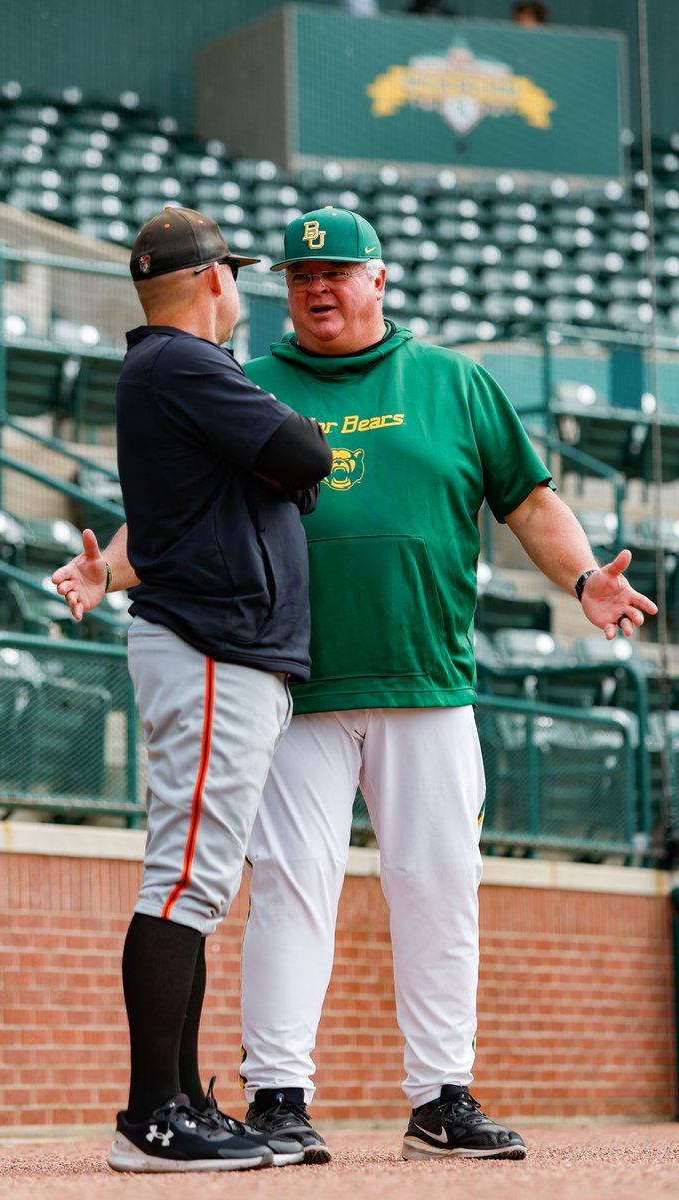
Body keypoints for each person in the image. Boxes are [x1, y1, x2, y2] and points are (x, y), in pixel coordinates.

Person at [54, 206, 657, 1166]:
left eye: (336, 271)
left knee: (440, 886)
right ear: (274, 289)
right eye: (298, 276)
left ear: (380, 279)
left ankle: (440, 1096)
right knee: (291, 888)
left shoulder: (452, 381)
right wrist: (107, 571)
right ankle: (280, 1095)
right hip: (295, 682)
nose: (316, 287)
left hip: (427, 676)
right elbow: (174, 509)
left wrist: (583, 579)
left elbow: (529, 500)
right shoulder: (242, 378)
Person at [52, 205, 332, 1174]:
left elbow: (283, 470)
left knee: (196, 881)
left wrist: (278, 474)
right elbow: (307, 456)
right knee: (185, 878)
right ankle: (150, 1118)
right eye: (241, 277)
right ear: (218, 278)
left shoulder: (166, 368)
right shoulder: (183, 361)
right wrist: (284, 471)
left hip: (219, 645)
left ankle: (178, 1101)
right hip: (211, 643)